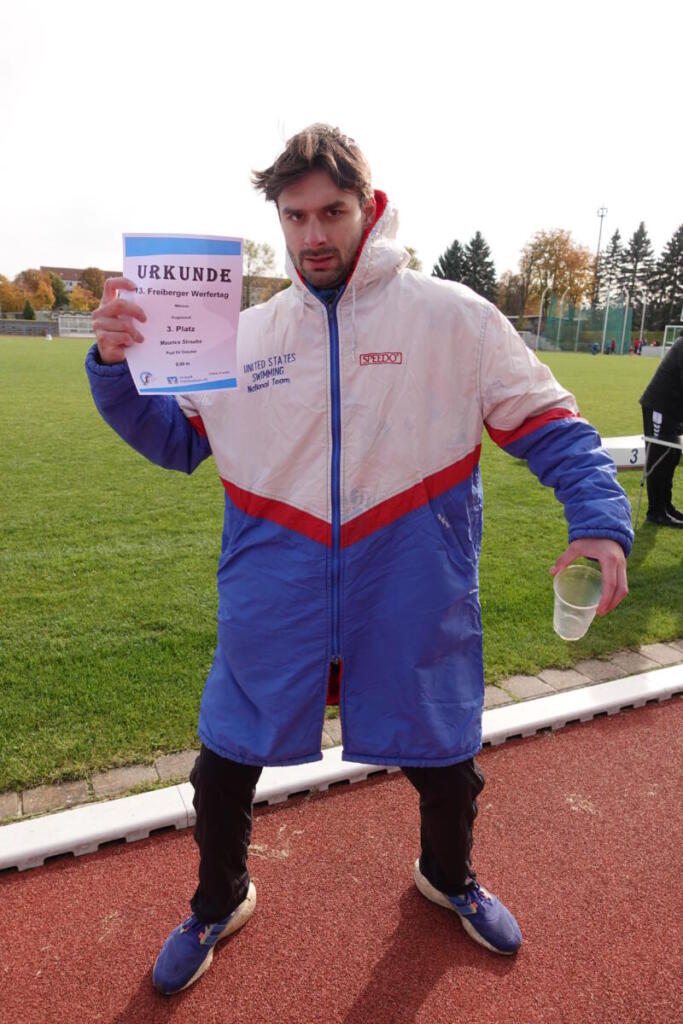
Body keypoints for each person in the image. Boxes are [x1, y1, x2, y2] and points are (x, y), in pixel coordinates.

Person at [85, 124, 632, 995]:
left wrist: (597, 519)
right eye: (294, 214)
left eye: (331, 211)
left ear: (368, 208)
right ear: (278, 217)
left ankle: (447, 878)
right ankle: (217, 900)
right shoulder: (244, 334)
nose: (312, 233)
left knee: (446, 763)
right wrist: (115, 368)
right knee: (221, 767)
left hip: (409, 589)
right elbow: (174, 441)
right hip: (275, 592)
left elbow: (553, 427)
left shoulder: (453, 318)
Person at [639, 332, 683, 527]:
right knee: (658, 456)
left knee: (672, 456)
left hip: (673, 410)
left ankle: (666, 506)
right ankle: (656, 511)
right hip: (660, 406)